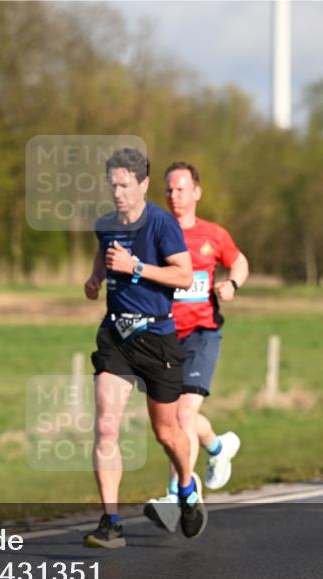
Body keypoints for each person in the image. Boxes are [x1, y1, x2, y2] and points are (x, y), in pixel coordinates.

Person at [82, 147, 204, 549]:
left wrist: (135, 267)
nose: (117, 193)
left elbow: (184, 275)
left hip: (157, 338)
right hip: (116, 336)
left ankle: (186, 488)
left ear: (143, 184)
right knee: (104, 426)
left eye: (125, 185)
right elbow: (104, 255)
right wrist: (95, 278)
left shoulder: (162, 224)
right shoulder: (105, 224)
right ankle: (111, 522)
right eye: (112, 184)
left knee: (166, 431)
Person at [144, 161, 249, 532]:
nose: (174, 195)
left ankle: (178, 494)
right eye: (169, 189)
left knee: (183, 416)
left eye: (182, 188)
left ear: (197, 192)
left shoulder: (213, 234)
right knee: (174, 418)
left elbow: (239, 262)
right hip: (164, 335)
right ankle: (218, 447)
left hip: (202, 333)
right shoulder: (155, 233)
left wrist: (232, 284)